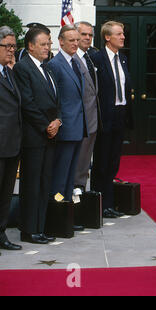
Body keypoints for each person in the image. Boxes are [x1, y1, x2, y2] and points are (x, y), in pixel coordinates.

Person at [14, 27, 61, 245]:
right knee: (31, 185)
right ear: (30, 46)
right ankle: (29, 230)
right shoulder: (23, 68)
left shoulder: (48, 68)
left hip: (50, 135)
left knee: (44, 183)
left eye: (48, 43)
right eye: (43, 44)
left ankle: (40, 227)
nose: (47, 47)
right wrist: (46, 126)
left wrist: (58, 121)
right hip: (34, 137)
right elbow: (27, 102)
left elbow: (55, 100)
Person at [91, 21, 133, 219]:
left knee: (114, 162)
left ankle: (109, 202)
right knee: (102, 161)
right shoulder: (96, 58)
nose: (123, 37)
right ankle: (101, 204)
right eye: (119, 34)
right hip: (104, 117)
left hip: (120, 115)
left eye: (123, 33)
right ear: (107, 37)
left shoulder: (123, 59)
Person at [47, 25, 87, 213]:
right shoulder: (55, 65)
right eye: (71, 40)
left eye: (77, 40)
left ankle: (67, 213)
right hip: (65, 129)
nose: (75, 43)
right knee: (60, 175)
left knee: (71, 175)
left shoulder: (76, 63)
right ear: (60, 41)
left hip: (77, 127)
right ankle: (57, 212)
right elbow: (53, 99)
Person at [0, 26, 22, 251]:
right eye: (7, 46)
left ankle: (1, 234)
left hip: (13, 144)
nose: (11, 51)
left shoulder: (9, 72)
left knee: (6, 194)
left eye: (14, 47)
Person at [73, 21, 100, 194]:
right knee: (75, 165)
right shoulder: (71, 59)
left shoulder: (89, 56)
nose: (88, 38)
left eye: (90, 35)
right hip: (77, 122)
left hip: (92, 120)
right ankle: (73, 198)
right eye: (84, 34)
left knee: (84, 164)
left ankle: (80, 193)